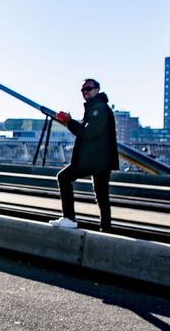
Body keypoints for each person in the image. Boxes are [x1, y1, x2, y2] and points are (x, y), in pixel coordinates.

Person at [49, 78, 119, 231]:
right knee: (101, 194)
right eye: (83, 89)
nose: (85, 91)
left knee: (63, 177)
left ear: (97, 89)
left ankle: (69, 218)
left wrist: (69, 121)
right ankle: (106, 228)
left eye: (88, 88)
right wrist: (70, 122)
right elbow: (85, 132)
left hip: (94, 158)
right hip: (101, 158)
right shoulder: (96, 107)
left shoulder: (99, 109)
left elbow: (87, 134)